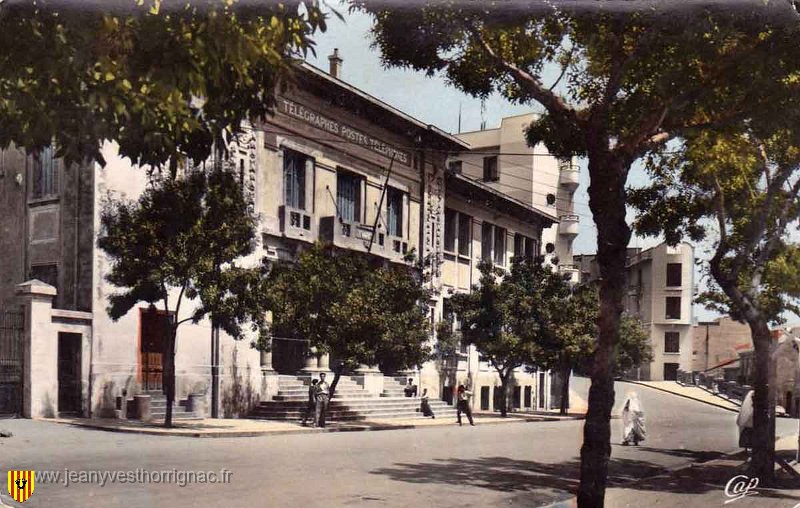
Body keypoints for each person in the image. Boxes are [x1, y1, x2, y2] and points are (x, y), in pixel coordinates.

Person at [737, 390, 754, 454]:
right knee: (747, 434)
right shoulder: (752, 393)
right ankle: (747, 448)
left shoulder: (751, 393)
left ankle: (749, 448)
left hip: (752, 420)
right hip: (750, 420)